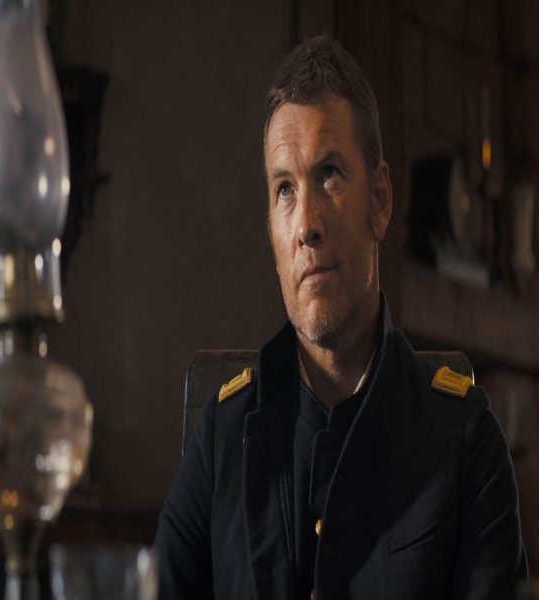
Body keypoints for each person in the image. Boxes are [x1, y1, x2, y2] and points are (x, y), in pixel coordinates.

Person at [154, 35, 526, 599]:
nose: (306, 224)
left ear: (380, 200)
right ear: (271, 229)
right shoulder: (222, 438)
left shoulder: (465, 441)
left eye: (328, 174)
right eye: (284, 189)